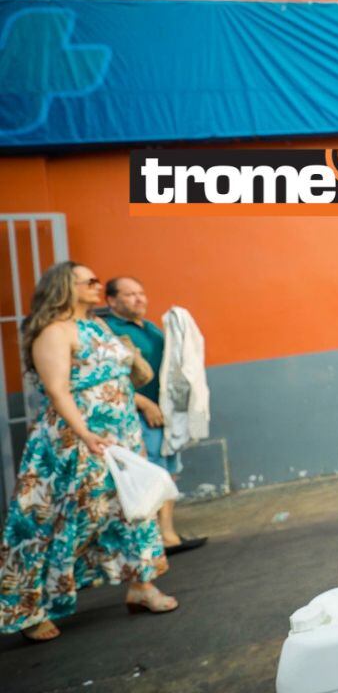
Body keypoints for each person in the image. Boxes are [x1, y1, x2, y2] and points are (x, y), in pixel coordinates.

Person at [0, 262, 177, 642]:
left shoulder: (97, 325)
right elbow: (58, 390)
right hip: (74, 442)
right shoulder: (53, 332)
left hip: (121, 438)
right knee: (54, 522)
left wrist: (142, 405)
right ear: (66, 287)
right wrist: (85, 434)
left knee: (133, 509)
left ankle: (142, 586)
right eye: (90, 281)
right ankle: (28, 609)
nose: (99, 286)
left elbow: (117, 374)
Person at [102, 277, 206, 555]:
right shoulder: (110, 331)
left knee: (168, 472)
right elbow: (111, 379)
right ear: (112, 300)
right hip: (136, 415)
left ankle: (167, 534)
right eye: (130, 294)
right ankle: (151, 540)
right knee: (149, 475)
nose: (139, 299)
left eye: (141, 293)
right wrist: (143, 403)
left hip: (164, 414)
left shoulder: (150, 328)